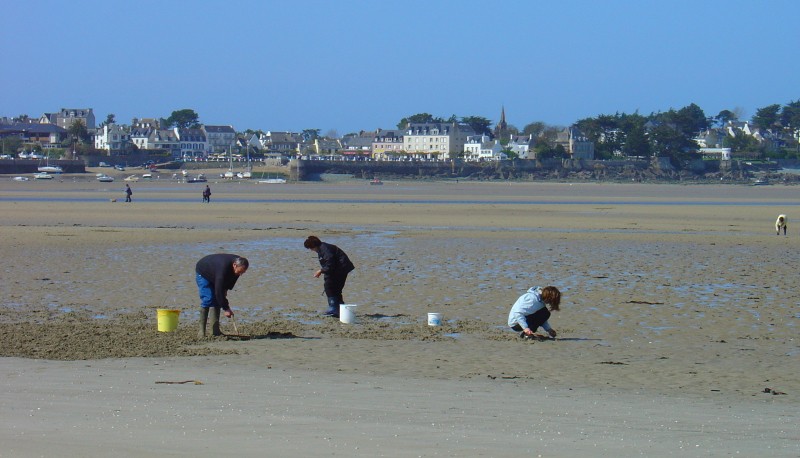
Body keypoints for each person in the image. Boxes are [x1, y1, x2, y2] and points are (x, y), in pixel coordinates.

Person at [195, 254, 249, 337]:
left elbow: (231, 280)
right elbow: (218, 291)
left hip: (215, 271)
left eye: (243, 272)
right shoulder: (223, 269)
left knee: (217, 300)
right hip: (203, 271)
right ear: (234, 265)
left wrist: (225, 289)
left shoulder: (239, 265)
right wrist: (226, 308)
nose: (240, 274)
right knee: (208, 299)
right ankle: (201, 332)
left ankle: (215, 331)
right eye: (240, 272)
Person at [304, 235, 355, 318]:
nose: (311, 250)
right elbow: (329, 266)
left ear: (313, 246)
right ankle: (341, 310)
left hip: (341, 268)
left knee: (329, 287)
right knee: (335, 289)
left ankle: (333, 308)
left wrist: (321, 271)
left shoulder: (325, 249)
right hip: (338, 269)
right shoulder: (322, 248)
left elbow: (330, 263)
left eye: (310, 248)